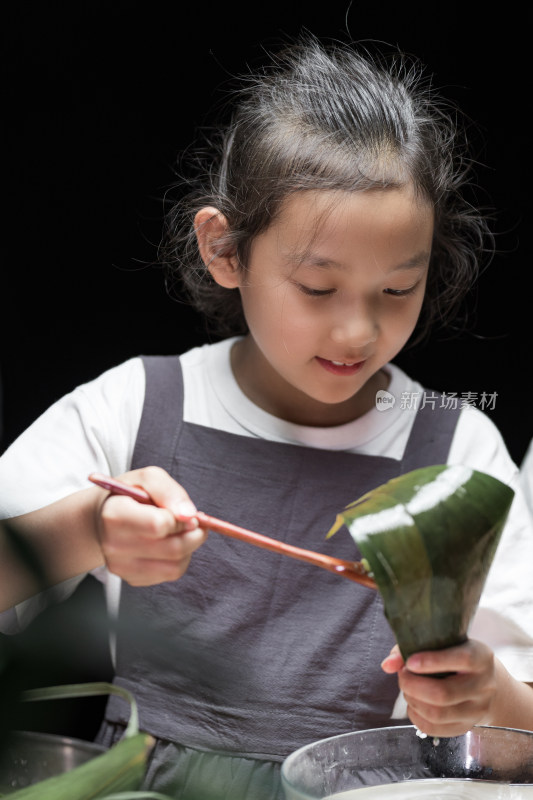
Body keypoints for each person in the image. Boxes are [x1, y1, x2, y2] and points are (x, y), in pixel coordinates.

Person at [1, 35, 533, 799]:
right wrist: (89, 529)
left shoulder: (458, 449)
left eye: (396, 290)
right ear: (225, 250)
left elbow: (518, 741)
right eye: (318, 289)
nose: (357, 332)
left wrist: (485, 700)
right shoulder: (140, 404)